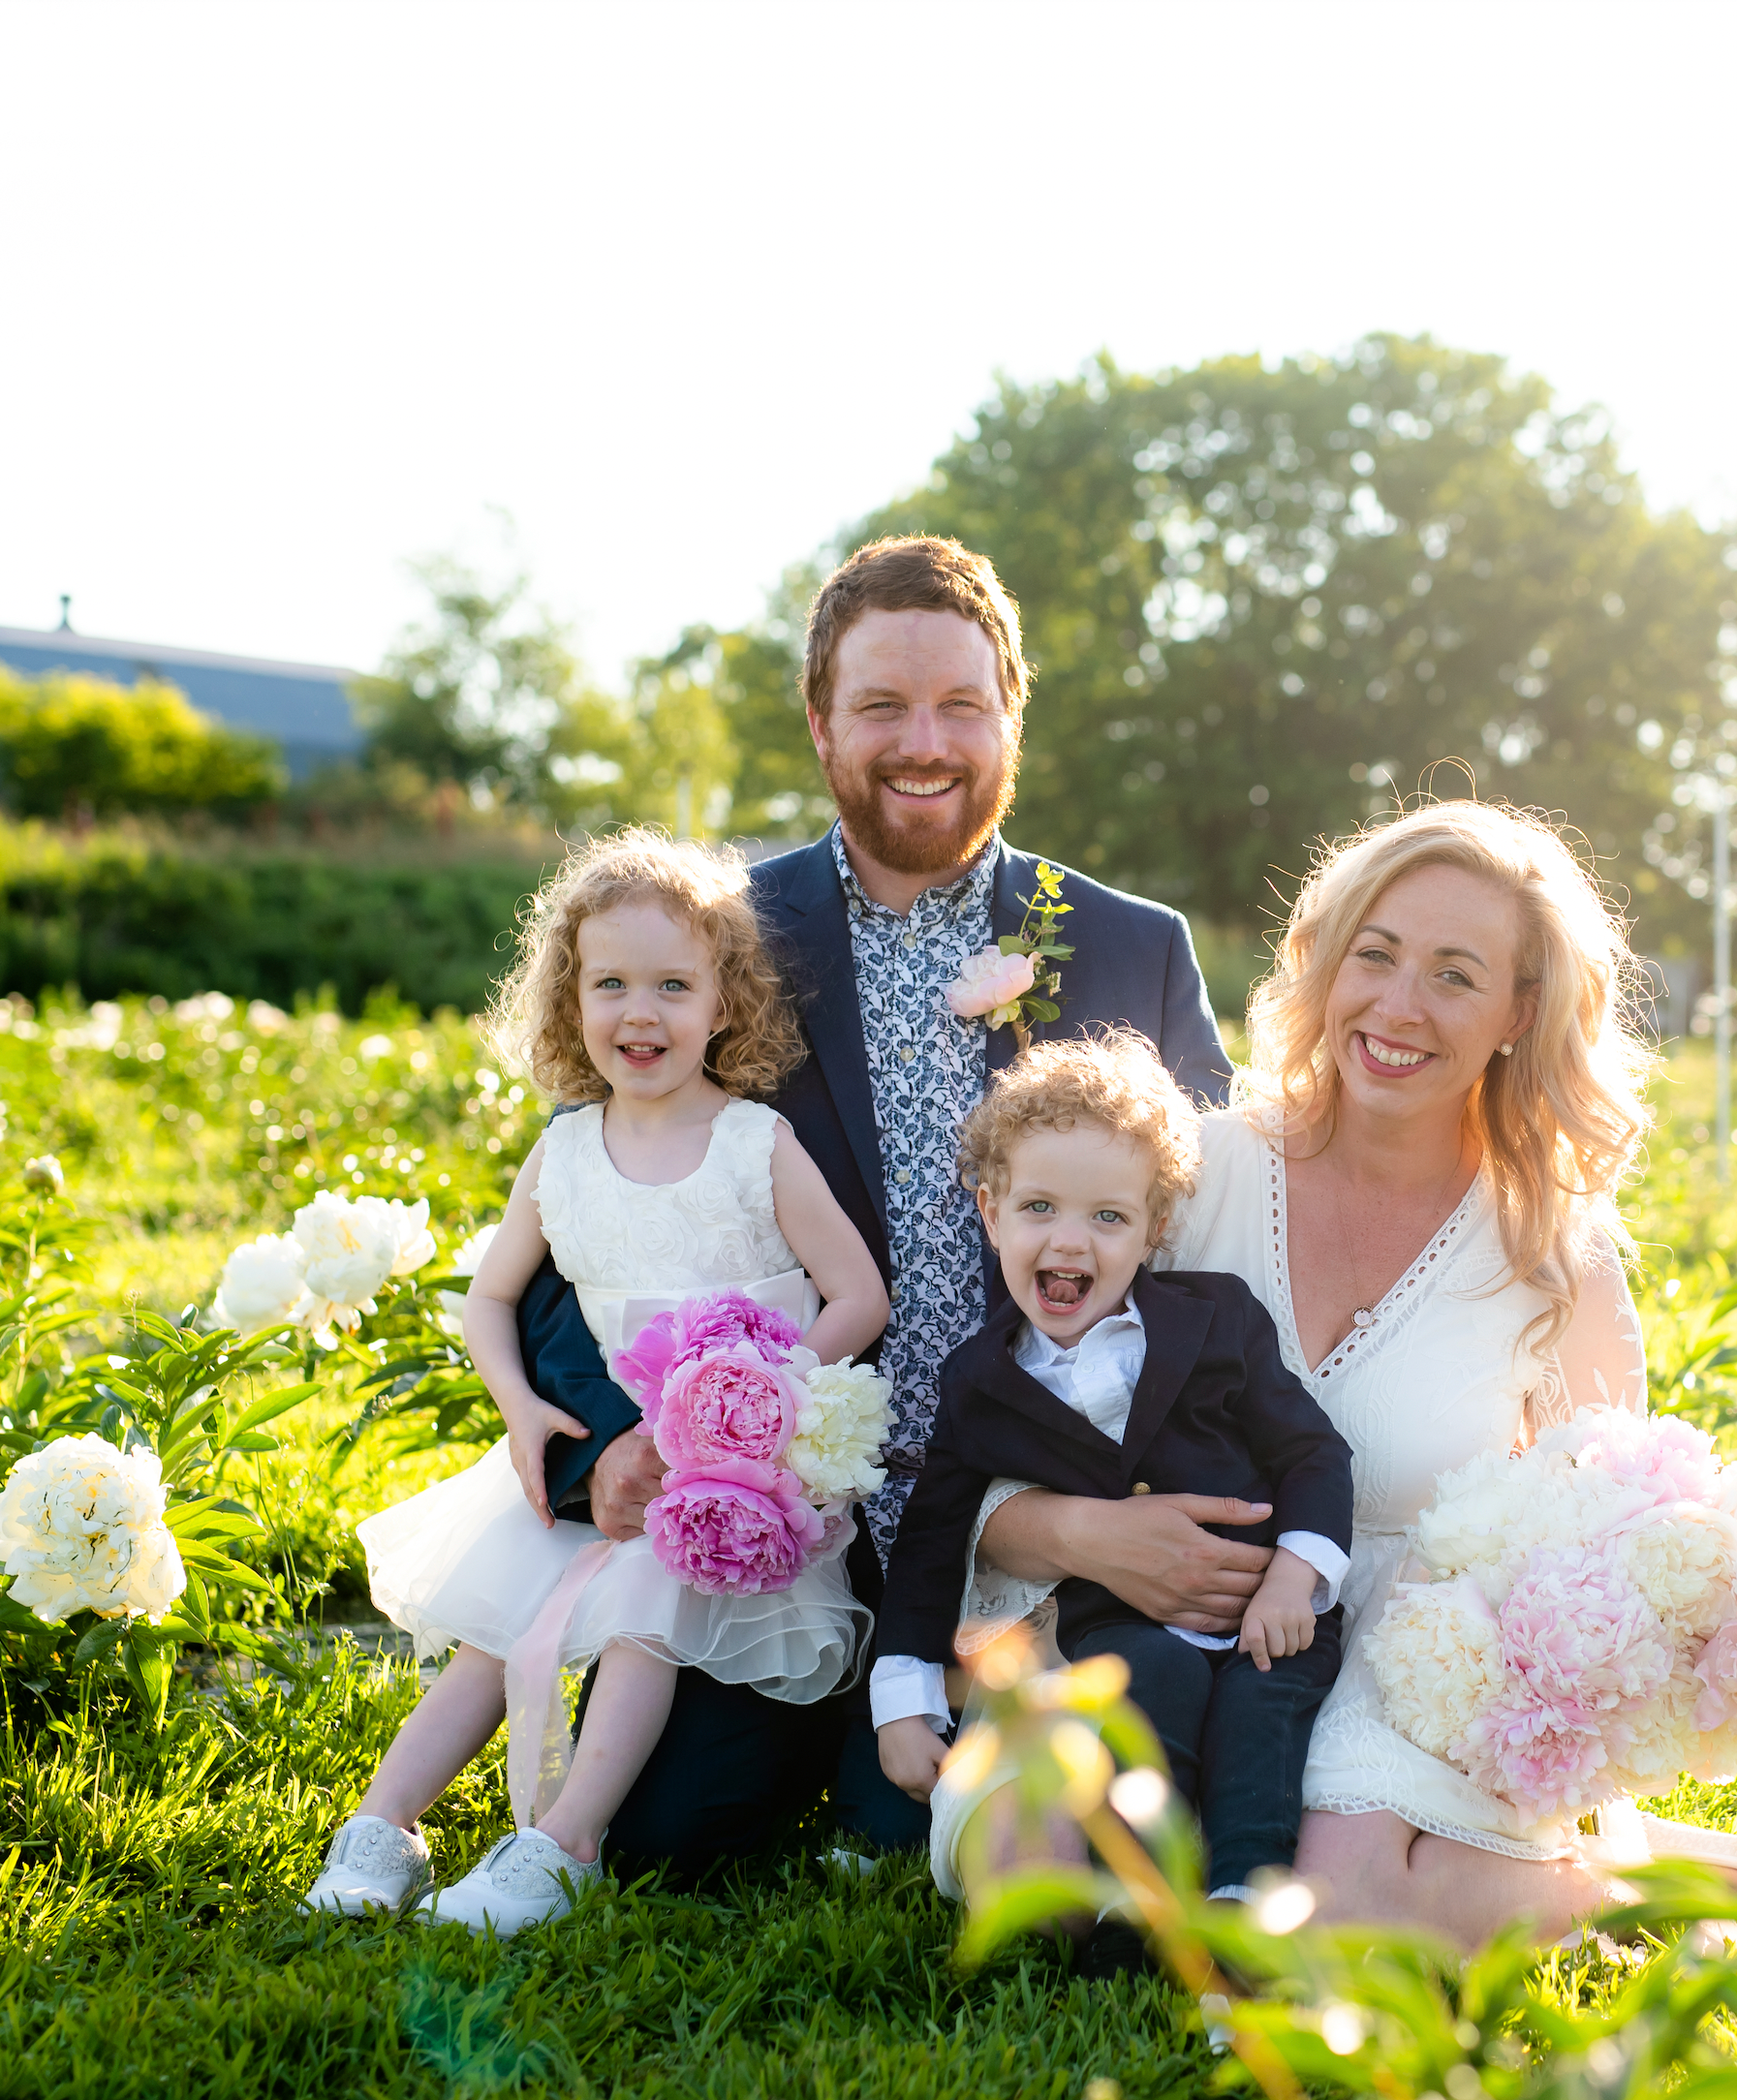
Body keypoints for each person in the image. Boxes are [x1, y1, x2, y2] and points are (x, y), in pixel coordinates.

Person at [944, 801, 1737, 1945]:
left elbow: (1600, 1541)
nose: (1396, 1005)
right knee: (1028, 1877)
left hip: (1414, 1658)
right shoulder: (1190, 1177)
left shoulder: (1552, 1253)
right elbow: (1007, 1441)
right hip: (1167, 1620)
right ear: (1325, 967)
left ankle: (1653, 1887)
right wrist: (1085, 1540)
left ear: (1516, 1014)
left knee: (1345, 1917)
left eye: (1452, 974)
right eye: (1373, 956)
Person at [507, 536, 1234, 1871]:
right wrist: (605, 1439)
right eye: (882, 706)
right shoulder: (715, 934)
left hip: (1052, 1511)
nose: (924, 741)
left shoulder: (1132, 944)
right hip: (779, 1512)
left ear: (1011, 711)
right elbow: (593, 1205)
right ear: (820, 721)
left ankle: (954, 1732)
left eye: (961, 704)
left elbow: (1215, 1249)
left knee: (1049, 1828)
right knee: (670, 1842)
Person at [308, 829, 890, 1933]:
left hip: (726, 1472)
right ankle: (384, 1826)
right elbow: (488, 1298)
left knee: (638, 1624)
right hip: (597, 1454)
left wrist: (759, 1397)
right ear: (568, 1000)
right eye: (609, 983)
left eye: (673, 985)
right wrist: (521, 1409)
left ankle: (560, 1840)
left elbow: (858, 1294)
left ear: (725, 1002)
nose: (640, 1013)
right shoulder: (564, 1153)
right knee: (495, 1631)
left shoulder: (753, 1143)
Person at [872, 1035, 1354, 1906]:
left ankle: (1245, 1897)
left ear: (1153, 1227)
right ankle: (1138, 1911)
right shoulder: (978, 1382)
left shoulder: (1215, 1320)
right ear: (991, 1213)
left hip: (1270, 1620)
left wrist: (1297, 1577)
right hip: (1121, 1637)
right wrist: (903, 1698)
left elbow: (1312, 1452)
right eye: (1040, 1208)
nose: (1070, 1242)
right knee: (1145, 1692)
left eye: (1107, 1217)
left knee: (1260, 1725)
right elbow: (934, 1537)